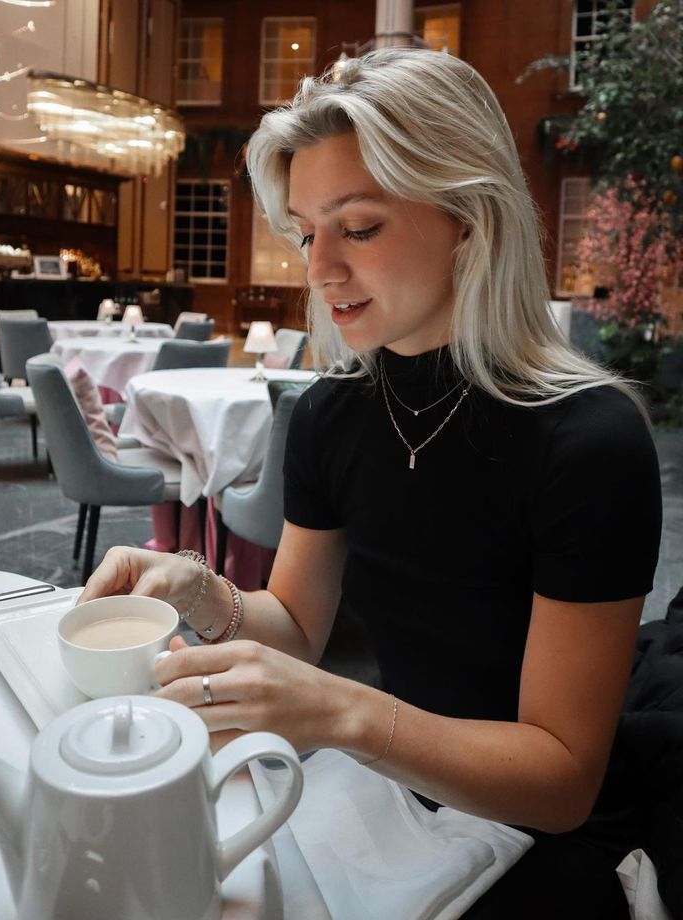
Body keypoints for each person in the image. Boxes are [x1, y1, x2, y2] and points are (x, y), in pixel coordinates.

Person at [79, 49, 662, 917]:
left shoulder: (588, 442)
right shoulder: (329, 415)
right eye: (308, 231)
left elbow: (561, 780)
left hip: (544, 831)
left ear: (470, 216)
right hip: (394, 791)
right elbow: (300, 629)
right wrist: (200, 590)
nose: (317, 271)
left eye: (358, 227)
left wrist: (343, 715)